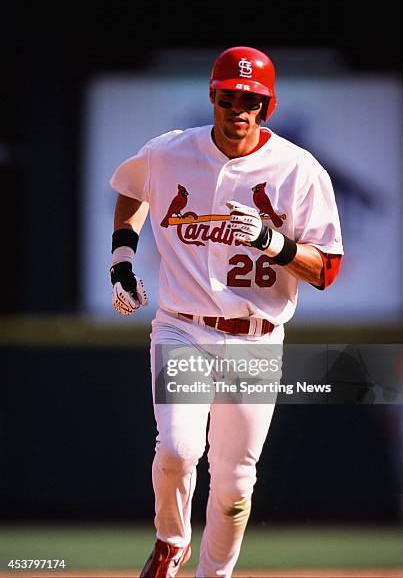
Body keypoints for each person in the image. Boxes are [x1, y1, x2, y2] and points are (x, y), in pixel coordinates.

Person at [109, 46, 343, 577]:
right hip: (182, 326)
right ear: (213, 96)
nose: (240, 109)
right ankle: (171, 542)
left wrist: (274, 243)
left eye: (252, 100)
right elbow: (130, 189)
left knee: (235, 483)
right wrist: (122, 259)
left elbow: (326, 269)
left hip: (256, 338)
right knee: (176, 447)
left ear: (268, 106)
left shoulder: (297, 170)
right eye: (230, 97)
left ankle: (215, 574)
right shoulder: (170, 152)